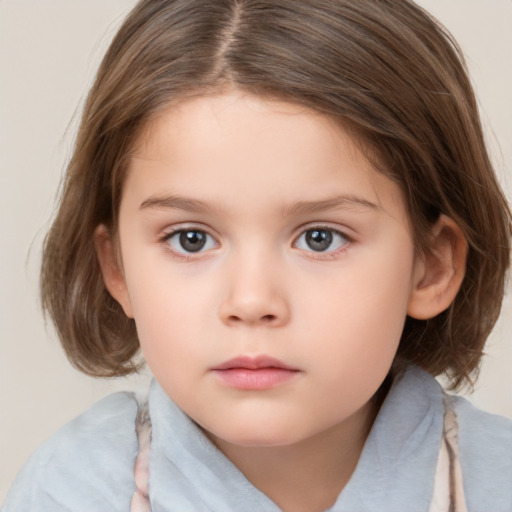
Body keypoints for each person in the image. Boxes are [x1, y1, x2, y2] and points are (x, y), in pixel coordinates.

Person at [2, 0, 511, 510]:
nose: (251, 301)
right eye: (191, 239)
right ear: (118, 269)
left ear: (432, 266)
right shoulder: (72, 491)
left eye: (320, 238)